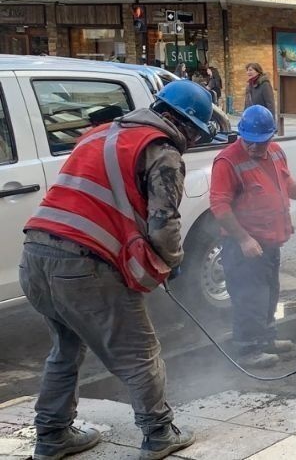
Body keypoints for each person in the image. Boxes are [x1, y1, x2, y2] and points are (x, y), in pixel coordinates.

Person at [19, 80, 217, 460]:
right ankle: (159, 433)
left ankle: (52, 436)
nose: (191, 142)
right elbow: (163, 223)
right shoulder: (161, 151)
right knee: (140, 351)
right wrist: (173, 262)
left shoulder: (99, 134)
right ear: (187, 125)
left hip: (35, 255)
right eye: (196, 134)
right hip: (81, 264)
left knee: (66, 346)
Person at [210, 105, 296, 368]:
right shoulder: (227, 161)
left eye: (262, 142)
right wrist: (243, 239)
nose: (256, 147)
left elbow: (286, 184)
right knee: (248, 296)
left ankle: (266, 338)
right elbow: (219, 207)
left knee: (268, 293)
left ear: (271, 137)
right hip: (244, 243)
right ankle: (248, 349)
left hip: (269, 239)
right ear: (241, 134)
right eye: (251, 142)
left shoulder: (276, 153)